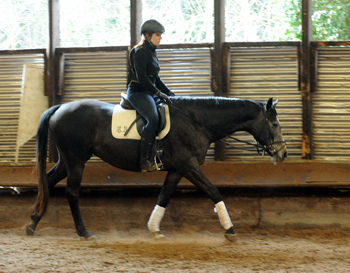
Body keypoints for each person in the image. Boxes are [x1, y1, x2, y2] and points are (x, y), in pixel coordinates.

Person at [126, 19, 175, 172]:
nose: (161, 38)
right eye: (158, 35)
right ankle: (145, 160)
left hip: (149, 92)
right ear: (147, 35)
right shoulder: (139, 51)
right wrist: (158, 93)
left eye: (161, 35)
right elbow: (142, 78)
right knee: (152, 119)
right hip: (138, 93)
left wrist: (170, 93)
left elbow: (156, 78)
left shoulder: (152, 51)